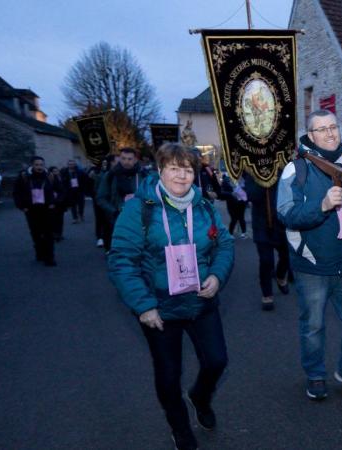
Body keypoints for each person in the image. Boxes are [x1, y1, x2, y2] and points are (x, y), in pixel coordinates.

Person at [107, 143, 234, 450]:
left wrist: (217, 276)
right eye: (174, 168)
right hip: (159, 307)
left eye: (188, 169)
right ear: (160, 170)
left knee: (217, 361)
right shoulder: (139, 208)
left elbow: (225, 246)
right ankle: (180, 428)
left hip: (200, 300)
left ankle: (200, 397)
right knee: (168, 374)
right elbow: (121, 259)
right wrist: (144, 305)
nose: (181, 175)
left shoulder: (204, 206)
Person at [277, 109, 342, 401]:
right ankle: (315, 375)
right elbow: (286, 214)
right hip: (312, 265)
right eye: (321, 129)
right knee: (314, 326)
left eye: (333, 127)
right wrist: (320, 206)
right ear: (310, 136)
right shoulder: (297, 169)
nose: (330, 133)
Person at [243, 171, 290, 311]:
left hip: (282, 224)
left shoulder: (284, 171)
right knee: (266, 261)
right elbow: (251, 196)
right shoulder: (253, 173)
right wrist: (264, 181)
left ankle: (281, 275)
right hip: (262, 225)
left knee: (287, 256)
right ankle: (267, 294)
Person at [12, 156, 63, 266]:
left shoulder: (50, 176)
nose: (39, 167)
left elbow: (60, 191)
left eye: (41, 164)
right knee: (36, 233)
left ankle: (49, 258)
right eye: (36, 165)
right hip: (31, 209)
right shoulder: (24, 177)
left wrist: (54, 202)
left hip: (47, 209)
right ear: (32, 165)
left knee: (48, 233)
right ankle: (39, 251)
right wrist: (22, 206)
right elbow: (17, 193)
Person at [96, 148, 147, 251]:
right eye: (123, 158)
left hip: (139, 221)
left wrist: (146, 206)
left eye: (129, 159)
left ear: (135, 160)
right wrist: (113, 211)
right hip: (117, 221)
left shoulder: (143, 176)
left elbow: (152, 199)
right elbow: (101, 198)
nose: (126, 162)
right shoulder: (110, 175)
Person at [60, 159, 89, 224]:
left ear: (75, 164)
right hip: (70, 191)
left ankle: (81, 214)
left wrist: (84, 188)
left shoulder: (80, 171)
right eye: (70, 164)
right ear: (68, 165)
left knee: (81, 204)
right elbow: (62, 180)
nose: (71, 165)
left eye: (72, 164)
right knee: (73, 205)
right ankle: (75, 218)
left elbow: (85, 179)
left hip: (79, 190)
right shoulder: (65, 171)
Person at [48, 166, 66, 242]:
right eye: (54, 171)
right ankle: (55, 234)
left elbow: (63, 190)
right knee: (54, 219)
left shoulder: (61, 178)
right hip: (54, 202)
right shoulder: (50, 180)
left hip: (60, 202)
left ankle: (59, 233)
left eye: (57, 171)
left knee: (60, 219)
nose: (56, 172)